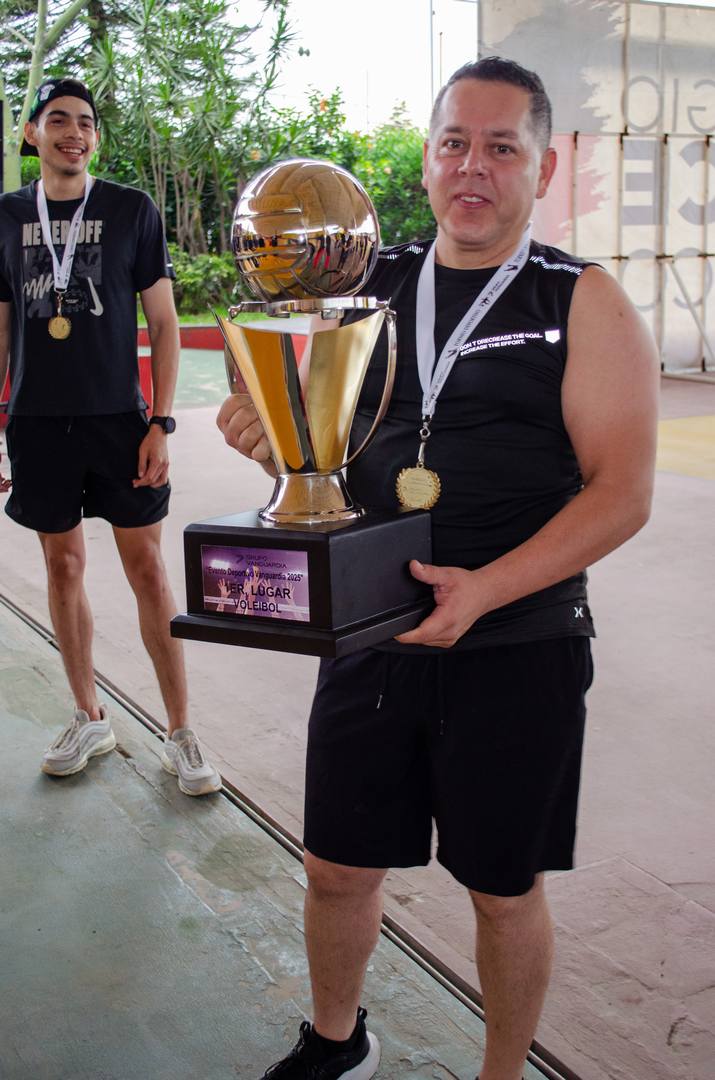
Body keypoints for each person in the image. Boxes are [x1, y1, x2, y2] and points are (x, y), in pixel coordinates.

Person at [218, 57, 659, 1080]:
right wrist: (274, 442)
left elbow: (621, 494)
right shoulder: (361, 285)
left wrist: (485, 589)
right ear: (425, 160)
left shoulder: (580, 300)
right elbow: (317, 451)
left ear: (542, 169)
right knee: (336, 867)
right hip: (369, 628)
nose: (473, 167)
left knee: (501, 889)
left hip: (516, 637)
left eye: (502, 147)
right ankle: (337, 1044)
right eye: (455, 143)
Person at [0, 77, 221, 797]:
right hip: (36, 422)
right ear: (32, 133)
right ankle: (88, 715)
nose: (74, 132)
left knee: (148, 570)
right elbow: (1, 330)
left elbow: (164, 323)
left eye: (86, 123)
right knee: (62, 568)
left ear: (95, 138)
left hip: (120, 423)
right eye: (58, 120)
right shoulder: (7, 216)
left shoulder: (131, 209)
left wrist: (161, 421)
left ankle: (180, 731)